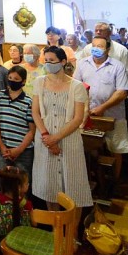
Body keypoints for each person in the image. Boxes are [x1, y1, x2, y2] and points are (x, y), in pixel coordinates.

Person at [31, 46, 94, 210]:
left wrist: (55, 138)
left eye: (52, 60)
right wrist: (47, 136)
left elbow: (78, 118)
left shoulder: (76, 86)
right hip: (44, 137)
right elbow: (35, 112)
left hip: (68, 137)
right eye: (46, 60)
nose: (48, 64)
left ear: (63, 61)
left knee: (73, 183)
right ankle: (54, 223)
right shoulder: (39, 82)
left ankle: (71, 225)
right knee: (49, 183)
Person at [74, 36, 128, 183]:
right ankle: (94, 179)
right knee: (91, 147)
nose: (96, 49)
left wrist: (102, 107)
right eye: (94, 45)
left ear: (107, 49)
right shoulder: (82, 64)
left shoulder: (117, 66)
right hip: (88, 115)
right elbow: (76, 86)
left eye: (100, 46)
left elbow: (122, 92)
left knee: (116, 148)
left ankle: (114, 182)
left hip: (113, 115)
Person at [0, 66, 35, 177]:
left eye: (16, 79)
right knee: (3, 179)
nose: (12, 81)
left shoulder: (28, 101)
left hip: (24, 151)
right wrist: (2, 146)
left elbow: (32, 130)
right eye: (10, 78)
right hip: (4, 148)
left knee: (23, 180)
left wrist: (19, 149)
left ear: (23, 81)